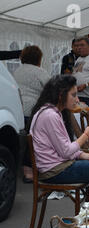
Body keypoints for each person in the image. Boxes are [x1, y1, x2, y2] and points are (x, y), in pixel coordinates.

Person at [13, 45, 51, 183]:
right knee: (33, 141)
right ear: (39, 58)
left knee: (23, 140)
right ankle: (28, 172)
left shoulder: (17, 71)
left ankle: (22, 169)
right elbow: (51, 89)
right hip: (32, 110)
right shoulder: (40, 72)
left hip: (18, 109)